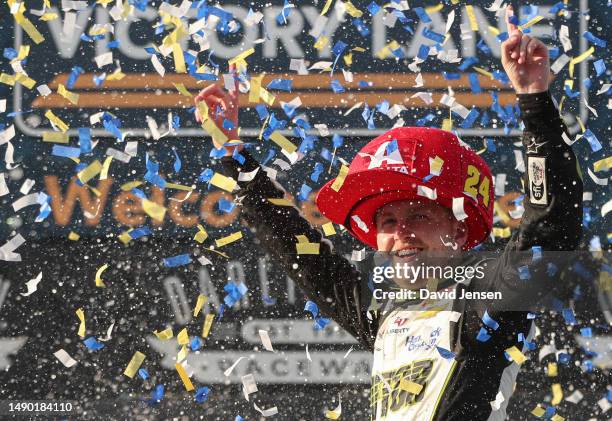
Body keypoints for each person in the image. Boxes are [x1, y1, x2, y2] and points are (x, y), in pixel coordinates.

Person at [194, 6, 582, 420]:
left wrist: (534, 101)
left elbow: (550, 227)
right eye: (388, 223)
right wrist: (233, 155)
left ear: (457, 225)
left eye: (419, 217)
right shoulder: (382, 309)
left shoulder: (484, 297)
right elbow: (300, 255)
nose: (402, 234)